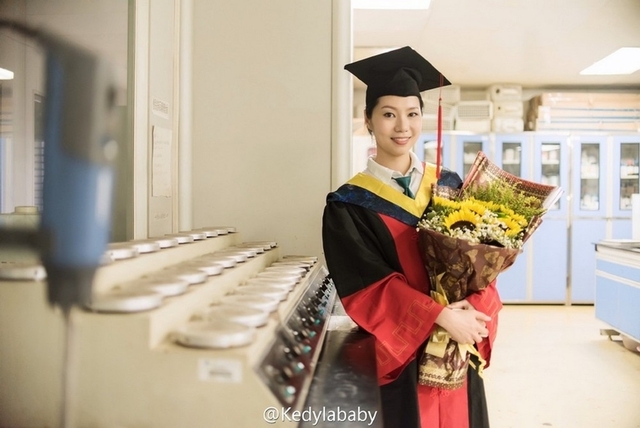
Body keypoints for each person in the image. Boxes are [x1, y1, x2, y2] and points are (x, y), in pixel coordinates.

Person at [322, 47, 503, 428]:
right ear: (368, 120)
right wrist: (438, 317)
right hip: (403, 356)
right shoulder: (348, 205)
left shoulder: (450, 185)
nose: (402, 126)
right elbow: (368, 289)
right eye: (388, 114)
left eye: (412, 113)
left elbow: (486, 264)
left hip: (457, 350)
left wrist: (472, 308)